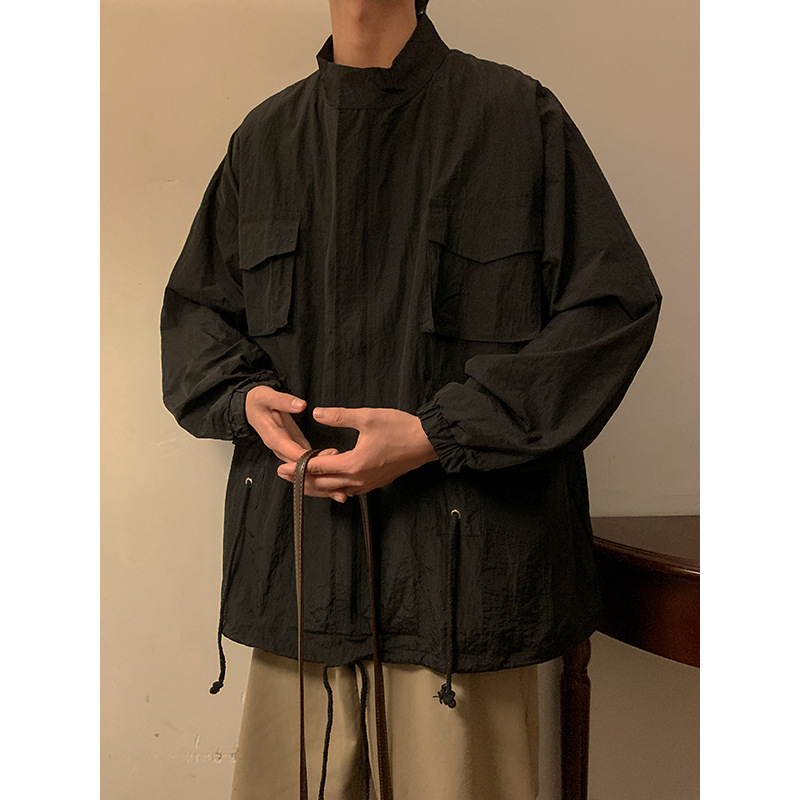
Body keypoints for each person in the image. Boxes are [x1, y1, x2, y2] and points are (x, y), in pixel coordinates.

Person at [160, 1, 662, 798]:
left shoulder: (517, 117)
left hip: (463, 590)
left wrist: (439, 433)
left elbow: (612, 310)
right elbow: (197, 318)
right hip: (303, 581)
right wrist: (245, 397)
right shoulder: (267, 138)